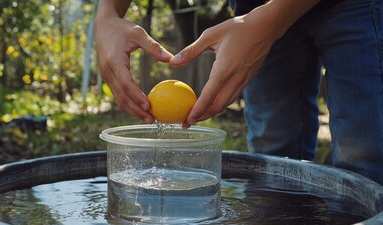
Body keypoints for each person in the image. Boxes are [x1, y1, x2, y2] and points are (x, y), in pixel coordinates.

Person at [94, 0, 383, 185]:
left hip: (353, 6)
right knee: (273, 150)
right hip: (253, 10)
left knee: (366, 153)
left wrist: (270, 21)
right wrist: (106, 14)